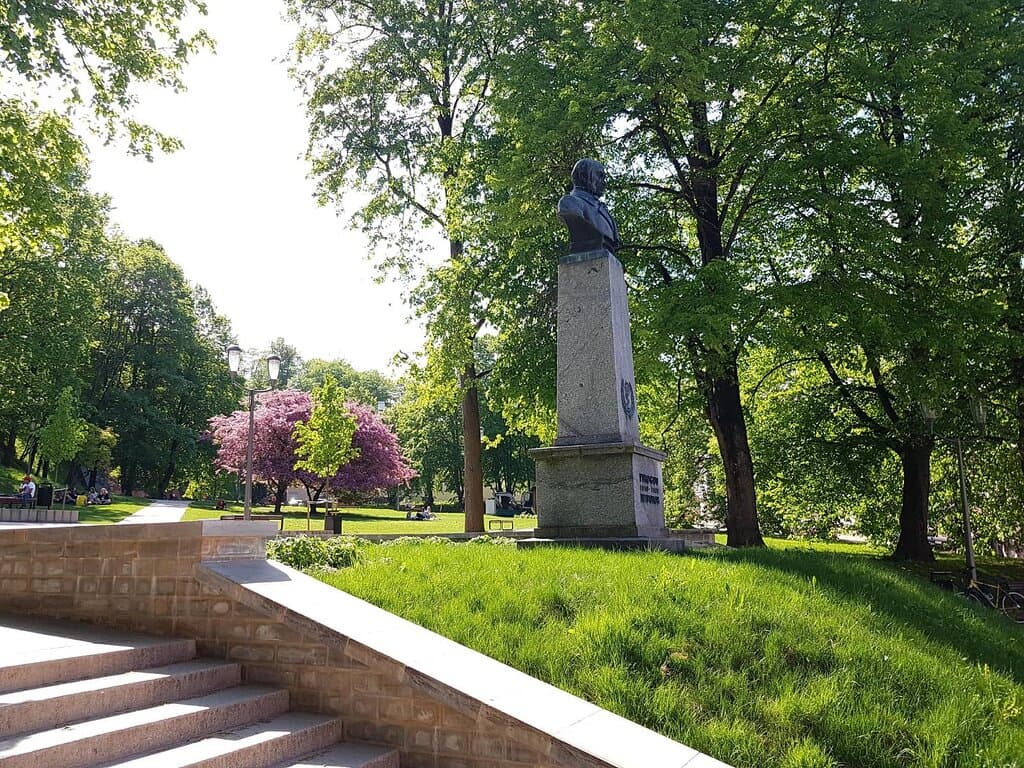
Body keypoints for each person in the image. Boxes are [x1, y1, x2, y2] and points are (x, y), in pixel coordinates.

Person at [556, 159, 621, 254]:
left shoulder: (603, 210)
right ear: (582, 176)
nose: (604, 182)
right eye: (600, 176)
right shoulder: (570, 203)